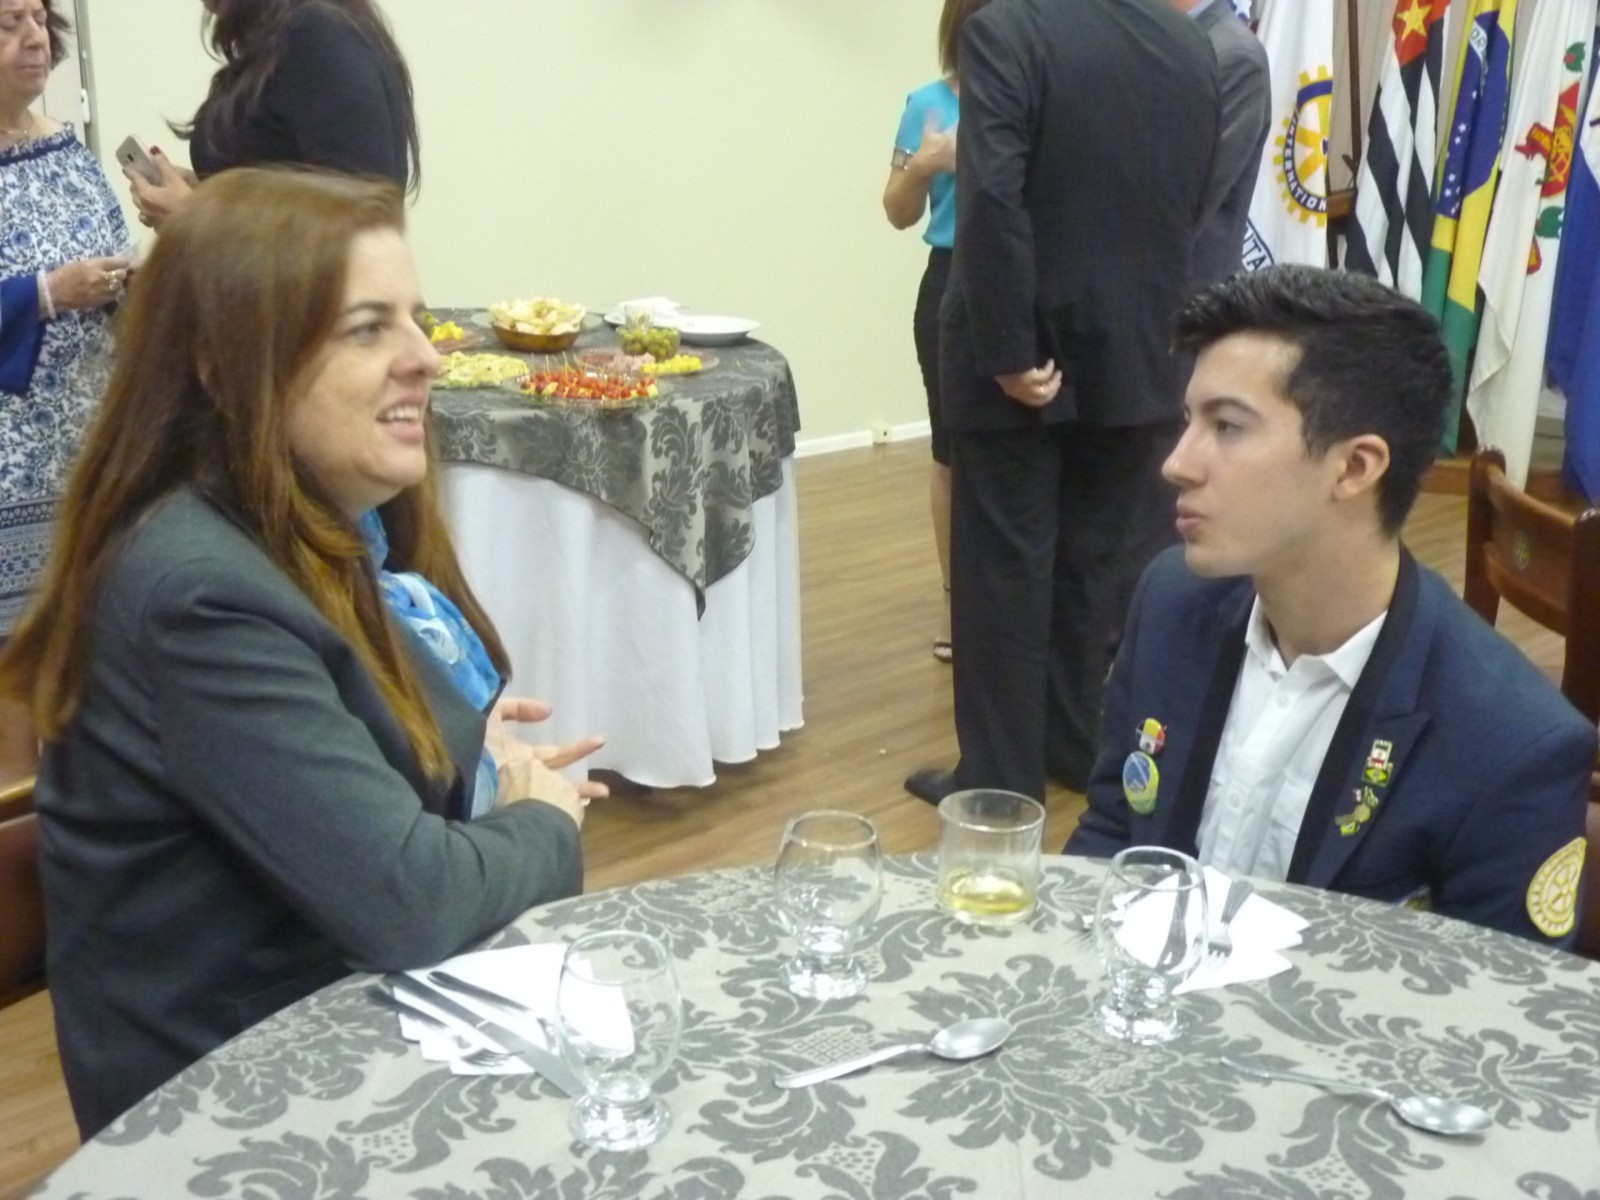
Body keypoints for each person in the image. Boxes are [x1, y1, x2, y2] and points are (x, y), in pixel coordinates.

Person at [0, 168, 603, 1138]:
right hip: (229, 1107)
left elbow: (345, 755)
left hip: (336, 1020)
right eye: (368, 329)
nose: (426, 359)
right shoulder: (197, 591)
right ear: (220, 366)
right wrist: (543, 818)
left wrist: (475, 749)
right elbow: (413, 902)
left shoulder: (309, 525)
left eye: (414, 322)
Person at [1067, 266, 1594, 947]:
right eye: (1188, 420)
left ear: (1355, 467)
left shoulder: (1510, 743)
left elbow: (1495, 999)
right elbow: (1115, 833)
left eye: (1227, 426)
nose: (1178, 462)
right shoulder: (1173, 602)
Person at [905, 0, 1221, 805]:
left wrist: (1007, 348)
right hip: (1141, 348)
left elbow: (992, 198)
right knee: (1097, 570)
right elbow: (1197, 198)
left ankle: (999, 779)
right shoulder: (1188, 43)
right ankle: (1074, 742)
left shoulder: (1005, 31)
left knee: (1003, 571)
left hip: (1025, 355)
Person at [0, 0, 131, 779]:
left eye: (38, 20)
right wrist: (46, 294)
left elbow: (111, 249)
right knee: (15, 674)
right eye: (7, 24)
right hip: (8, 474)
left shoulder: (68, 149)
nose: (33, 39)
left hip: (89, 454)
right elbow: (51, 286)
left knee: (93, 660)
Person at [883, 0, 991, 664]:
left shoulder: (1042, 95)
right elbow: (897, 211)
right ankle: (956, 603)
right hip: (951, 278)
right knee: (951, 452)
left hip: (1030, 277)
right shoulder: (926, 103)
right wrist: (925, 165)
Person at [126, 0, 418, 227]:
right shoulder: (287, 39)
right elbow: (290, 192)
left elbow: (359, 228)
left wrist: (192, 218)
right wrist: (210, 196)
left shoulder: (317, 36)